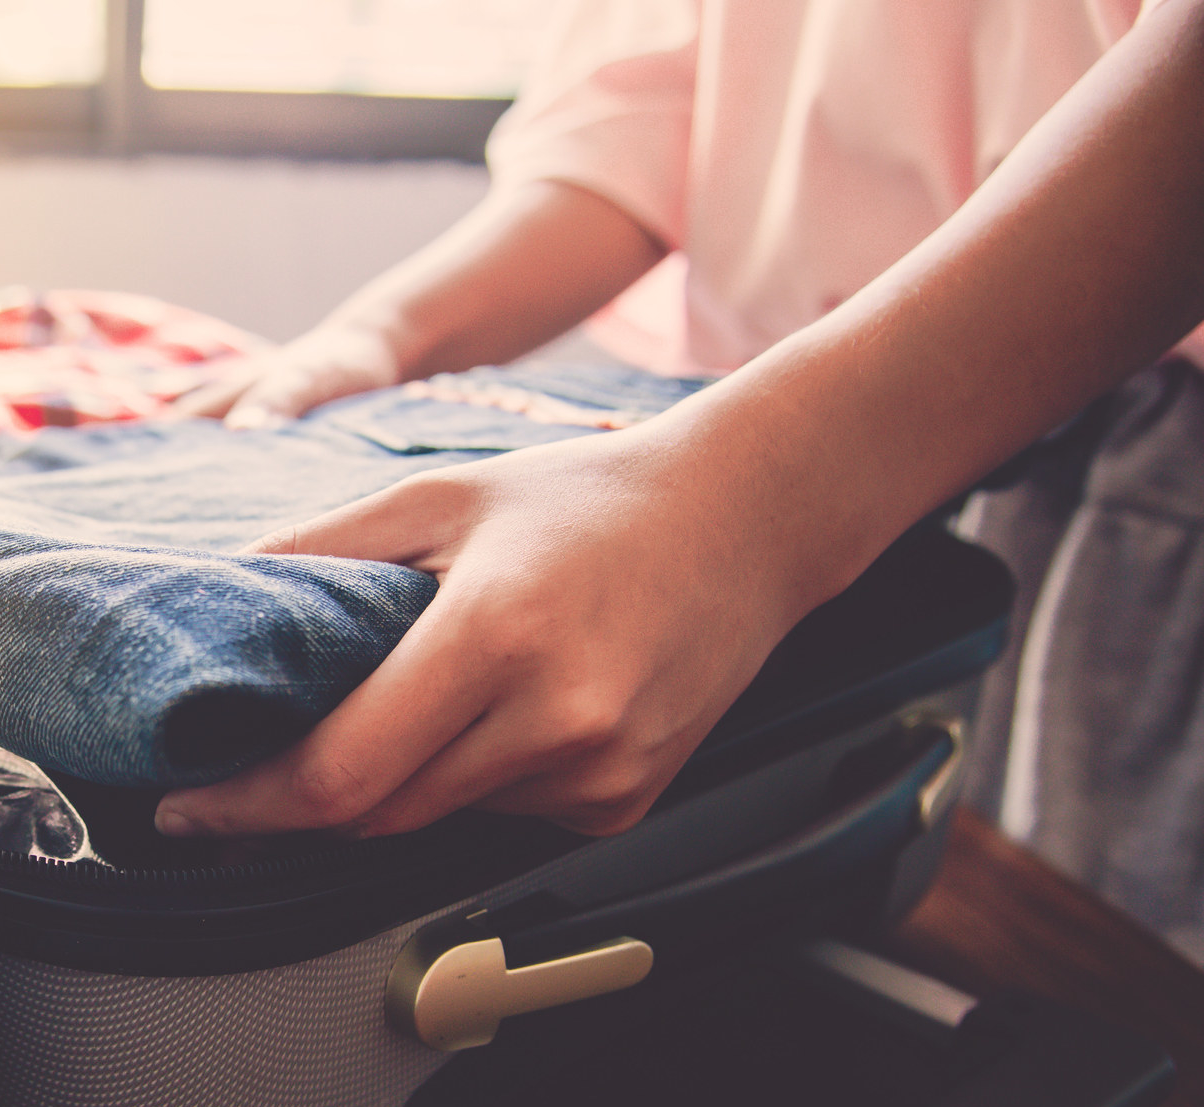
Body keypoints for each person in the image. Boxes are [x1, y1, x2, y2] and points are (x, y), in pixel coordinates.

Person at [153, 0, 1204, 934]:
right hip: (767, 415)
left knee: (1096, 941)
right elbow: (639, 133)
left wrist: (758, 500)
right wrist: (381, 336)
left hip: (1142, 454)